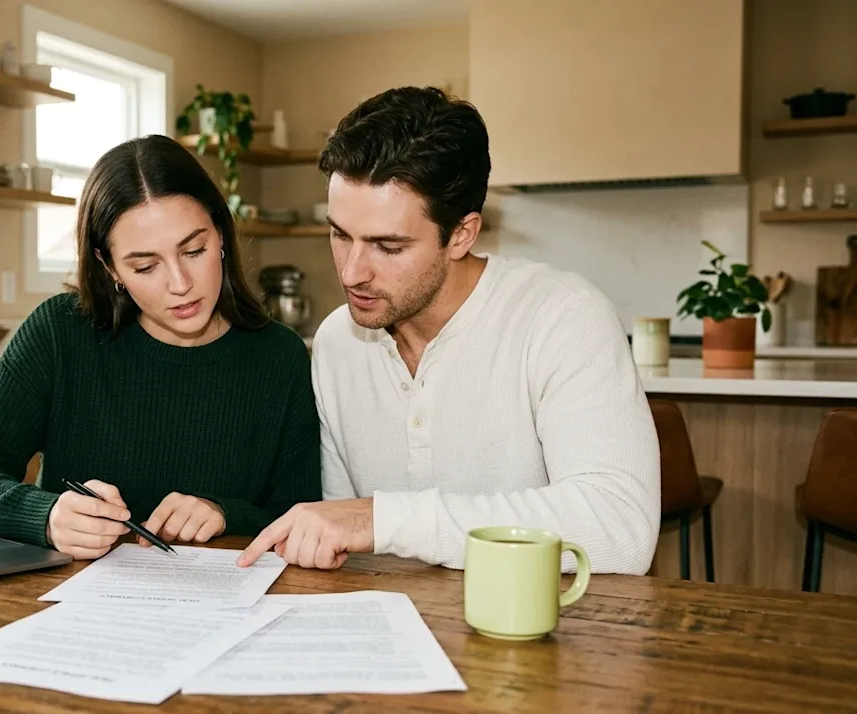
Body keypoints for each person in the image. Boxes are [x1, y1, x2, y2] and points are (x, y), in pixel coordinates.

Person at [237, 86, 660, 574]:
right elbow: (342, 539)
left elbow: (621, 529)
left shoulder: (564, 317)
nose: (352, 272)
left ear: (461, 233)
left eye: (388, 246)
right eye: (339, 234)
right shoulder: (338, 342)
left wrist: (384, 518)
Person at [0, 135, 320, 561]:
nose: (179, 283)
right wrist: (46, 515)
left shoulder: (280, 357)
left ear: (222, 236)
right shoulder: (61, 333)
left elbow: (300, 516)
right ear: (108, 265)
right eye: (145, 266)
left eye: (194, 250)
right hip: (72, 610)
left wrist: (225, 513)